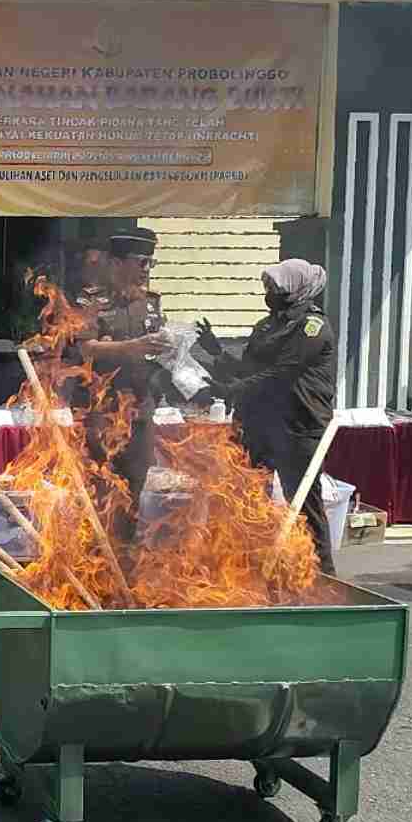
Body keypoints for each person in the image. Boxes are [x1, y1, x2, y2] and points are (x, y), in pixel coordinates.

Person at [198, 259, 340, 573]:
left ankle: (322, 572)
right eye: (267, 288)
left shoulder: (313, 327)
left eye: (276, 288)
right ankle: (254, 566)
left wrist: (234, 389)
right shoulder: (266, 326)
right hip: (259, 423)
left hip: (298, 425)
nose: (269, 294)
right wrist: (216, 351)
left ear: (295, 289)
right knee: (250, 498)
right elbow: (248, 369)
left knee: (303, 502)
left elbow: (283, 372)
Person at [77, 228, 172, 544]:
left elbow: (156, 347)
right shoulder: (92, 301)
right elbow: (85, 348)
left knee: (136, 482)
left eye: (150, 263)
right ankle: (98, 552)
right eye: (141, 262)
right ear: (117, 263)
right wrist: (131, 347)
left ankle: (126, 551)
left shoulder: (150, 303)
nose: (146, 270)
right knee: (103, 480)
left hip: (141, 407)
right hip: (104, 408)